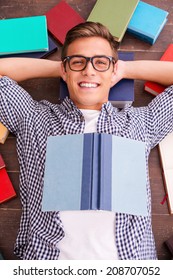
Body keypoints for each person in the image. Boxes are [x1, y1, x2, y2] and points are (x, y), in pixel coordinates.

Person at [1, 21, 173, 260]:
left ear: (113, 70)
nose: (89, 70)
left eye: (100, 62)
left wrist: (123, 68)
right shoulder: (33, 118)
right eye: (78, 61)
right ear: (65, 69)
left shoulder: (139, 124)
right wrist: (63, 69)